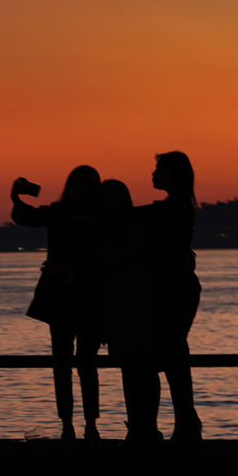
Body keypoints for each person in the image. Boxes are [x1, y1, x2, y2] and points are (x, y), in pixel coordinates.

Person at [11, 166, 104, 444]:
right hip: (63, 295)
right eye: (74, 181)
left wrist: (64, 265)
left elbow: (101, 254)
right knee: (62, 363)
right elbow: (27, 216)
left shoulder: (100, 215)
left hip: (86, 294)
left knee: (86, 363)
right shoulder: (59, 211)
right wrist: (16, 198)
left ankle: (89, 426)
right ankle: (68, 425)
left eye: (83, 182)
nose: (77, 186)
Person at [138, 151, 203, 447]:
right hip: (172, 282)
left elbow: (142, 216)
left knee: (171, 352)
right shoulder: (180, 203)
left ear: (172, 174)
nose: (153, 174)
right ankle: (185, 421)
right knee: (172, 353)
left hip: (173, 284)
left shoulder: (175, 205)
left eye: (158, 169)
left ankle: (185, 422)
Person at [99, 179, 162, 451]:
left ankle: (146, 427)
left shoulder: (133, 225)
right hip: (117, 303)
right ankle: (137, 427)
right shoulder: (106, 226)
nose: (107, 199)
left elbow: (118, 260)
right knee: (129, 367)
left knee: (143, 367)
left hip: (138, 301)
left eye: (111, 194)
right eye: (104, 195)